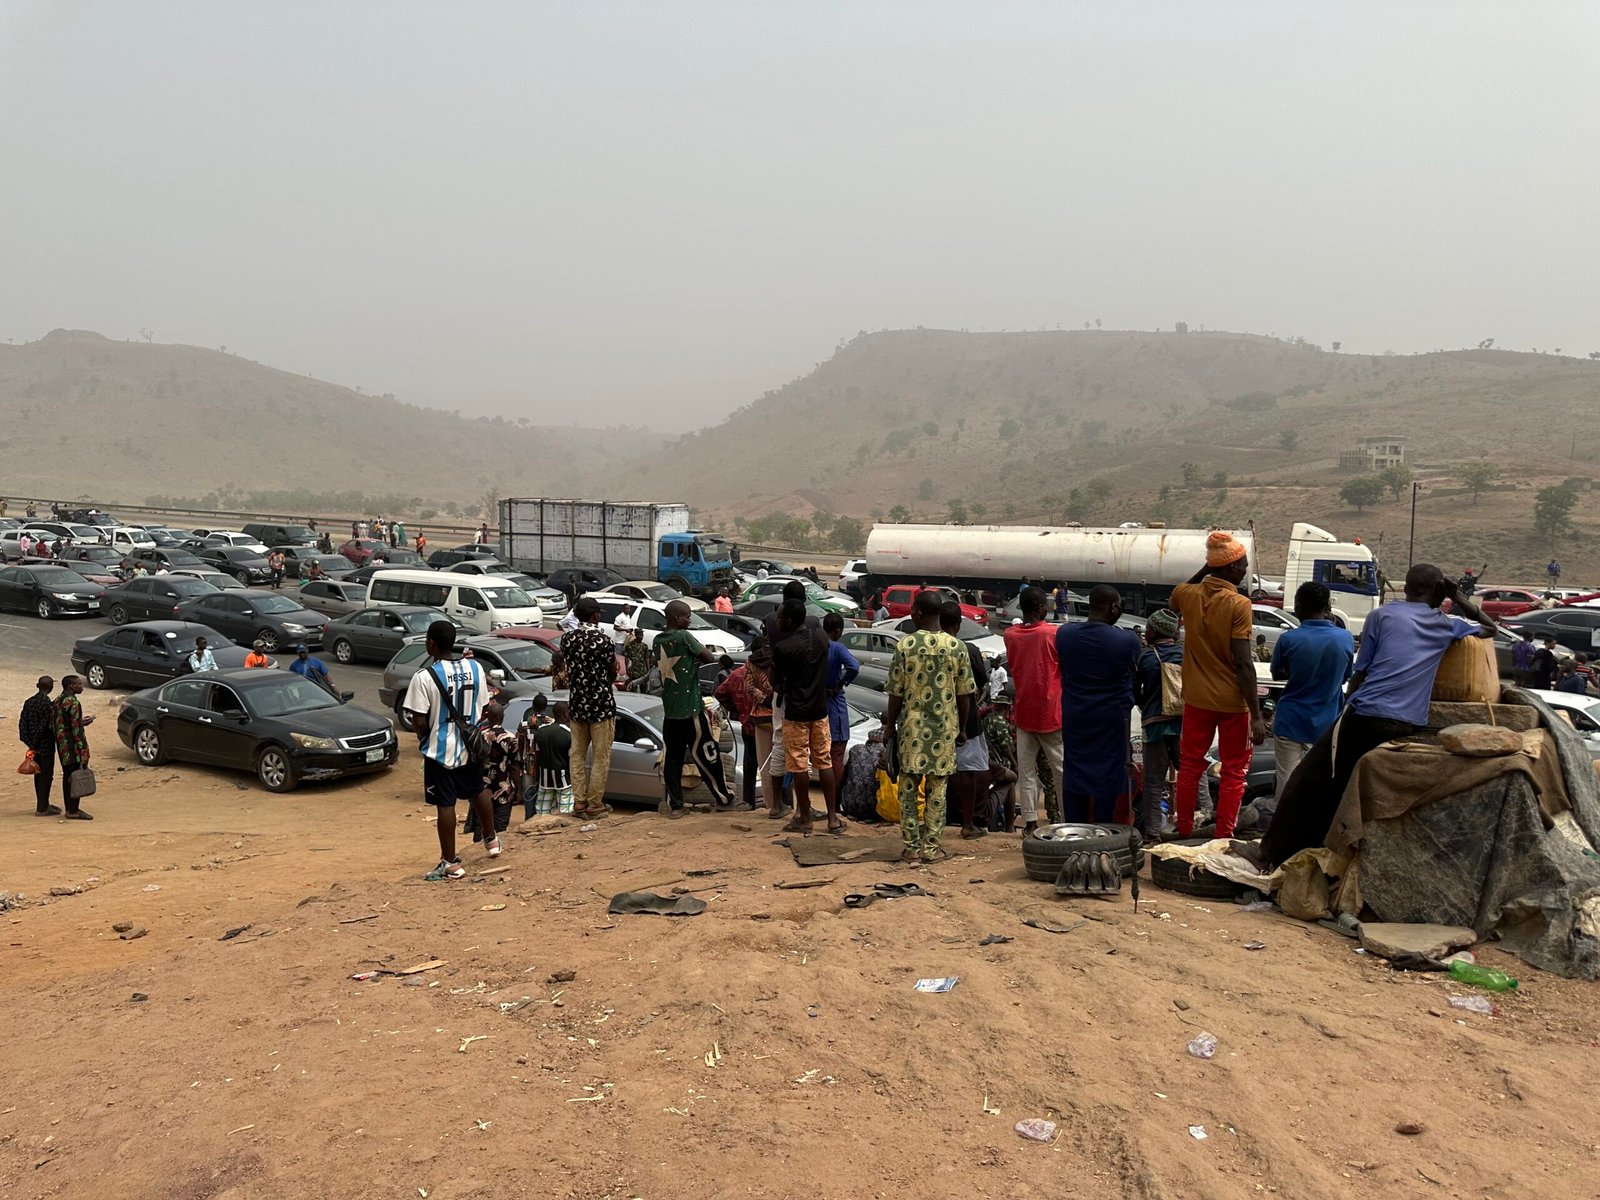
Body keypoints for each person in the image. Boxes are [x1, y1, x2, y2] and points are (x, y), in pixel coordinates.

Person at [1250, 563, 1494, 870]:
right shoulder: (1445, 624)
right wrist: (1457, 598)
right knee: (1343, 784)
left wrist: (1346, 710)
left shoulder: (1382, 615)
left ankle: (1268, 854)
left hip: (1367, 713)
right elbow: (1490, 628)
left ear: (1405, 588)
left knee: (1306, 780)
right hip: (1408, 722)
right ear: (1437, 591)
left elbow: (1360, 673)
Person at [1169, 532, 1266, 840]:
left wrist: (1209, 567)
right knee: (1234, 770)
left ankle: (1184, 830)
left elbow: (1178, 594)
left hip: (1197, 700)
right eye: (1242, 565)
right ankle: (1223, 837)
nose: (1245, 571)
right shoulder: (1239, 604)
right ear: (1231, 569)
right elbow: (1243, 663)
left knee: (1190, 766)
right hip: (1233, 703)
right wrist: (1257, 714)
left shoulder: (1187, 595)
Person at [882, 591, 975, 861]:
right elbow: (964, 694)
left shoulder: (905, 646)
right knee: (938, 791)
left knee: (909, 789)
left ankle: (911, 847)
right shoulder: (957, 648)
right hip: (944, 729)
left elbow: (895, 693)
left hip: (912, 729)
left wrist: (890, 726)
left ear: (919, 613)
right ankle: (932, 848)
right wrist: (963, 728)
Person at [405, 620, 501, 878]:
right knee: (477, 790)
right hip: (470, 744)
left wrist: (423, 739)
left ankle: (451, 862)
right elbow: (483, 707)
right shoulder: (475, 667)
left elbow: (419, 721)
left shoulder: (424, 677)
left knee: (445, 804)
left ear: (431, 644)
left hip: (440, 750)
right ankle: (491, 840)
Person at [1056, 585, 1142, 824]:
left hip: (1076, 717)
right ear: (1113, 607)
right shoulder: (1127, 640)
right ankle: (1105, 832)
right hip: (1112, 721)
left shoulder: (1065, 635)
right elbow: (1135, 675)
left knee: (1074, 772)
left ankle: (1074, 827)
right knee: (1109, 775)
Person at [1269, 582, 1356, 808]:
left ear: (1298, 607)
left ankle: (1281, 832)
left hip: (1290, 720)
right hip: (1327, 723)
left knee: (1286, 779)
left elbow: (1277, 673)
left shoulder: (1288, 639)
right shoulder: (1345, 638)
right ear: (1328, 607)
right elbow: (1347, 675)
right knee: (1321, 780)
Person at [771, 597, 840, 833]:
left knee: (799, 765)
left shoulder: (783, 648)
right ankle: (832, 819)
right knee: (824, 761)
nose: (777, 620)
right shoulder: (821, 638)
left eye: (779, 617)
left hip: (796, 712)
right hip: (820, 710)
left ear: (788, 621)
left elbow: (775, 680)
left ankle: (806, 818)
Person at [1002, 586, 1064, 832]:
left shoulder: (1010, 635)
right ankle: (1068, 819)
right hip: (1051, 712)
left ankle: (1029, 822)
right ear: (1041, 608)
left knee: (1026, 772)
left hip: (1024, 712)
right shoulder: (1052, 635)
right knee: (1061, 771)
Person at [656, 599, 717, 817]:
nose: (689, 620)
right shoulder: (684, 636)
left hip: (670, 712)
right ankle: (722, 797)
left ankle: (675, 805)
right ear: (675, 618)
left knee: (672, 759)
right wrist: (694, 661)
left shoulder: (658, 640)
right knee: (707, 753)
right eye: (687, 616)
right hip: (690, 709)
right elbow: (708, 657)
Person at [561, 596, 618, 819]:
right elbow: (612, 670)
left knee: (576, 755)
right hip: (601, 705)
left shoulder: (567, 640)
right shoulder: (603, 640)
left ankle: (579, 803)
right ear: (596, 616)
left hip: (577, 704)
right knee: (601, 756)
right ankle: (595, 804)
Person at [940, 600, 991, 839]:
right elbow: (981, 682)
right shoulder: (968, 650)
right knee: (968, 772)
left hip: (936, 719)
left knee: (936, 771)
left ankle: (936, 820)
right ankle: (967, 823)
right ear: (958, 625)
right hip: (966, 720)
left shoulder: (930, 647)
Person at [1133, 609, 1184, 842]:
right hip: (1183, 726)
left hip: (1154, 726)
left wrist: (1147, 707)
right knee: (1192, 777)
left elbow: (1135, 692)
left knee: (1153, 782)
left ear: (1154, 630)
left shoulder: (1146, 657)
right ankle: (1192, 827)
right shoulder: (1186, 655)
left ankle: (1153, 834)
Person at [715, 644, 766, 810]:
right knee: (776, 768)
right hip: (767, 728)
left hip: (749, 726)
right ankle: (783, 804)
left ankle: (749, 804)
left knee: (750, 769)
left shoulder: (737, 675)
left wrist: (736, 711)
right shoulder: (767, 674)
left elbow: (720, 693)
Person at [463, 701, 522, 839]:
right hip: (503, 789)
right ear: (503, 717)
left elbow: (470, 762)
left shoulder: (478, 736)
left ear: (487, 716)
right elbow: (514, 767)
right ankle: (496, 854)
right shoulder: (510, 739)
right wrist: (518, 790)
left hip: (480, 789)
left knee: (480, 825)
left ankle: (477, 853)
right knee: (500, 827)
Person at [822, 613, 861, 793]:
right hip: (834, 704)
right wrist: (841, 683)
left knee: (822, 756)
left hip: (818, 704)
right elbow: (853, 666)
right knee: (836, 755)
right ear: (837, 630)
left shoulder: (816, 645)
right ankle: (835, 802)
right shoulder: (837, 648)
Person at [52, 674, 93, 820]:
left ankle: (69, 807)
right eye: (79, 684)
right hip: (73, 746)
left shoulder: (57, 701)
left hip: (62, 745)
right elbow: (75, 729)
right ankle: (73, 810)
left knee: (67, 776)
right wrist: (82, 748)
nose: (81, 686)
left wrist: (81, 722)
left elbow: (59, 724)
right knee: (76, 776)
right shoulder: (74, 703)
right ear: (71, 686)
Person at [19, 675, 61, 816]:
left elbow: (22, 725)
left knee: (38, 774)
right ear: (50, 688)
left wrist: (30, 744)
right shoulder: (48, 705)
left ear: (37, 686)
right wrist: (36, 744)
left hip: (33, 745)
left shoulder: (29, 702)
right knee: (46, 776)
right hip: (45, 746)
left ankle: (42, 803)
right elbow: (44, 727)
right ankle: (42, 807)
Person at [533, 701, 574, 815]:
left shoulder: (540, 732)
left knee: (542, 813)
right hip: (564, 779)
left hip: (544, 779)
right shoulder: (569, 734)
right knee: (566, 813)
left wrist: (537, 778)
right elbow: (572, 760)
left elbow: (537, 757)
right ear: (566, 714)